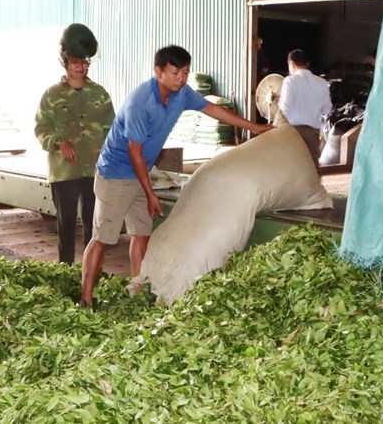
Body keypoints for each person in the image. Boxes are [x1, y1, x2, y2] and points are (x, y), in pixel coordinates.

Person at [80, 45, 273, 307]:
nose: (181, 78)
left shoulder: (181, 93)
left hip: (140, 173)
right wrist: (150, 194)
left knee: (141, 233)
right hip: (115, 174)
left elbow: (211, 109)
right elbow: (134, 152)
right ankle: (86, 298)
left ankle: (138, 288)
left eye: (185, 72)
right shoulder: (141, 102)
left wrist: (253, 127)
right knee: (103, 238)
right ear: (158, 71)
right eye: (175, 72)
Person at [35, 23, 115, 265]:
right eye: (75, 61)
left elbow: (112, 130)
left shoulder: (99, 95)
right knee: (66, 225)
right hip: (64, 171)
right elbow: (41, 128)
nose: (80, 67)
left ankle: (91, 274)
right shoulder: (52, 95)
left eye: (85, 62)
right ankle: (65, 270)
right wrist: (60, 142)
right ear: (64, 62)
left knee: (94, 226)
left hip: (95, 169)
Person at [278, 49, 333, 166]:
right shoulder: (322, 83)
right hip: (314, 133)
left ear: (291, 64)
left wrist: (276, 128)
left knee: (293, 166)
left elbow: (284, 109)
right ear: (307, 64)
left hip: (293, 132)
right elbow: (327, 110)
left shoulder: (290, 81)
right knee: (312, 167)